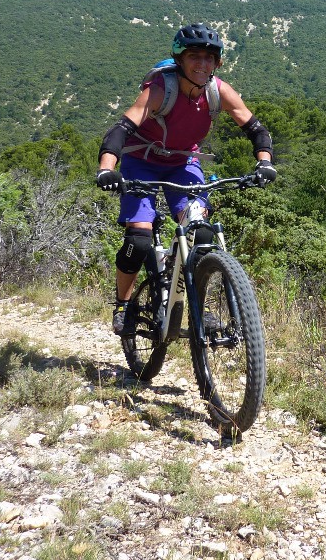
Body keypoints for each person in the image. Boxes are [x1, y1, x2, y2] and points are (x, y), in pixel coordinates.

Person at [95, 22, 276, 335]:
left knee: (199, 233)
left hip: (183, 161)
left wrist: (265, 163)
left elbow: (256, 129)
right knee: (138, 239)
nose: (202, 64)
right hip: (142, 161)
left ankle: (195, 305)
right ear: (179, 59)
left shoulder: (219, 91)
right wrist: (107, 168)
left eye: (209, 58)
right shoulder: (160, 90)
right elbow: (121, 129)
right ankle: (123, 306)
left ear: (217, 63)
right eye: (195, 56)